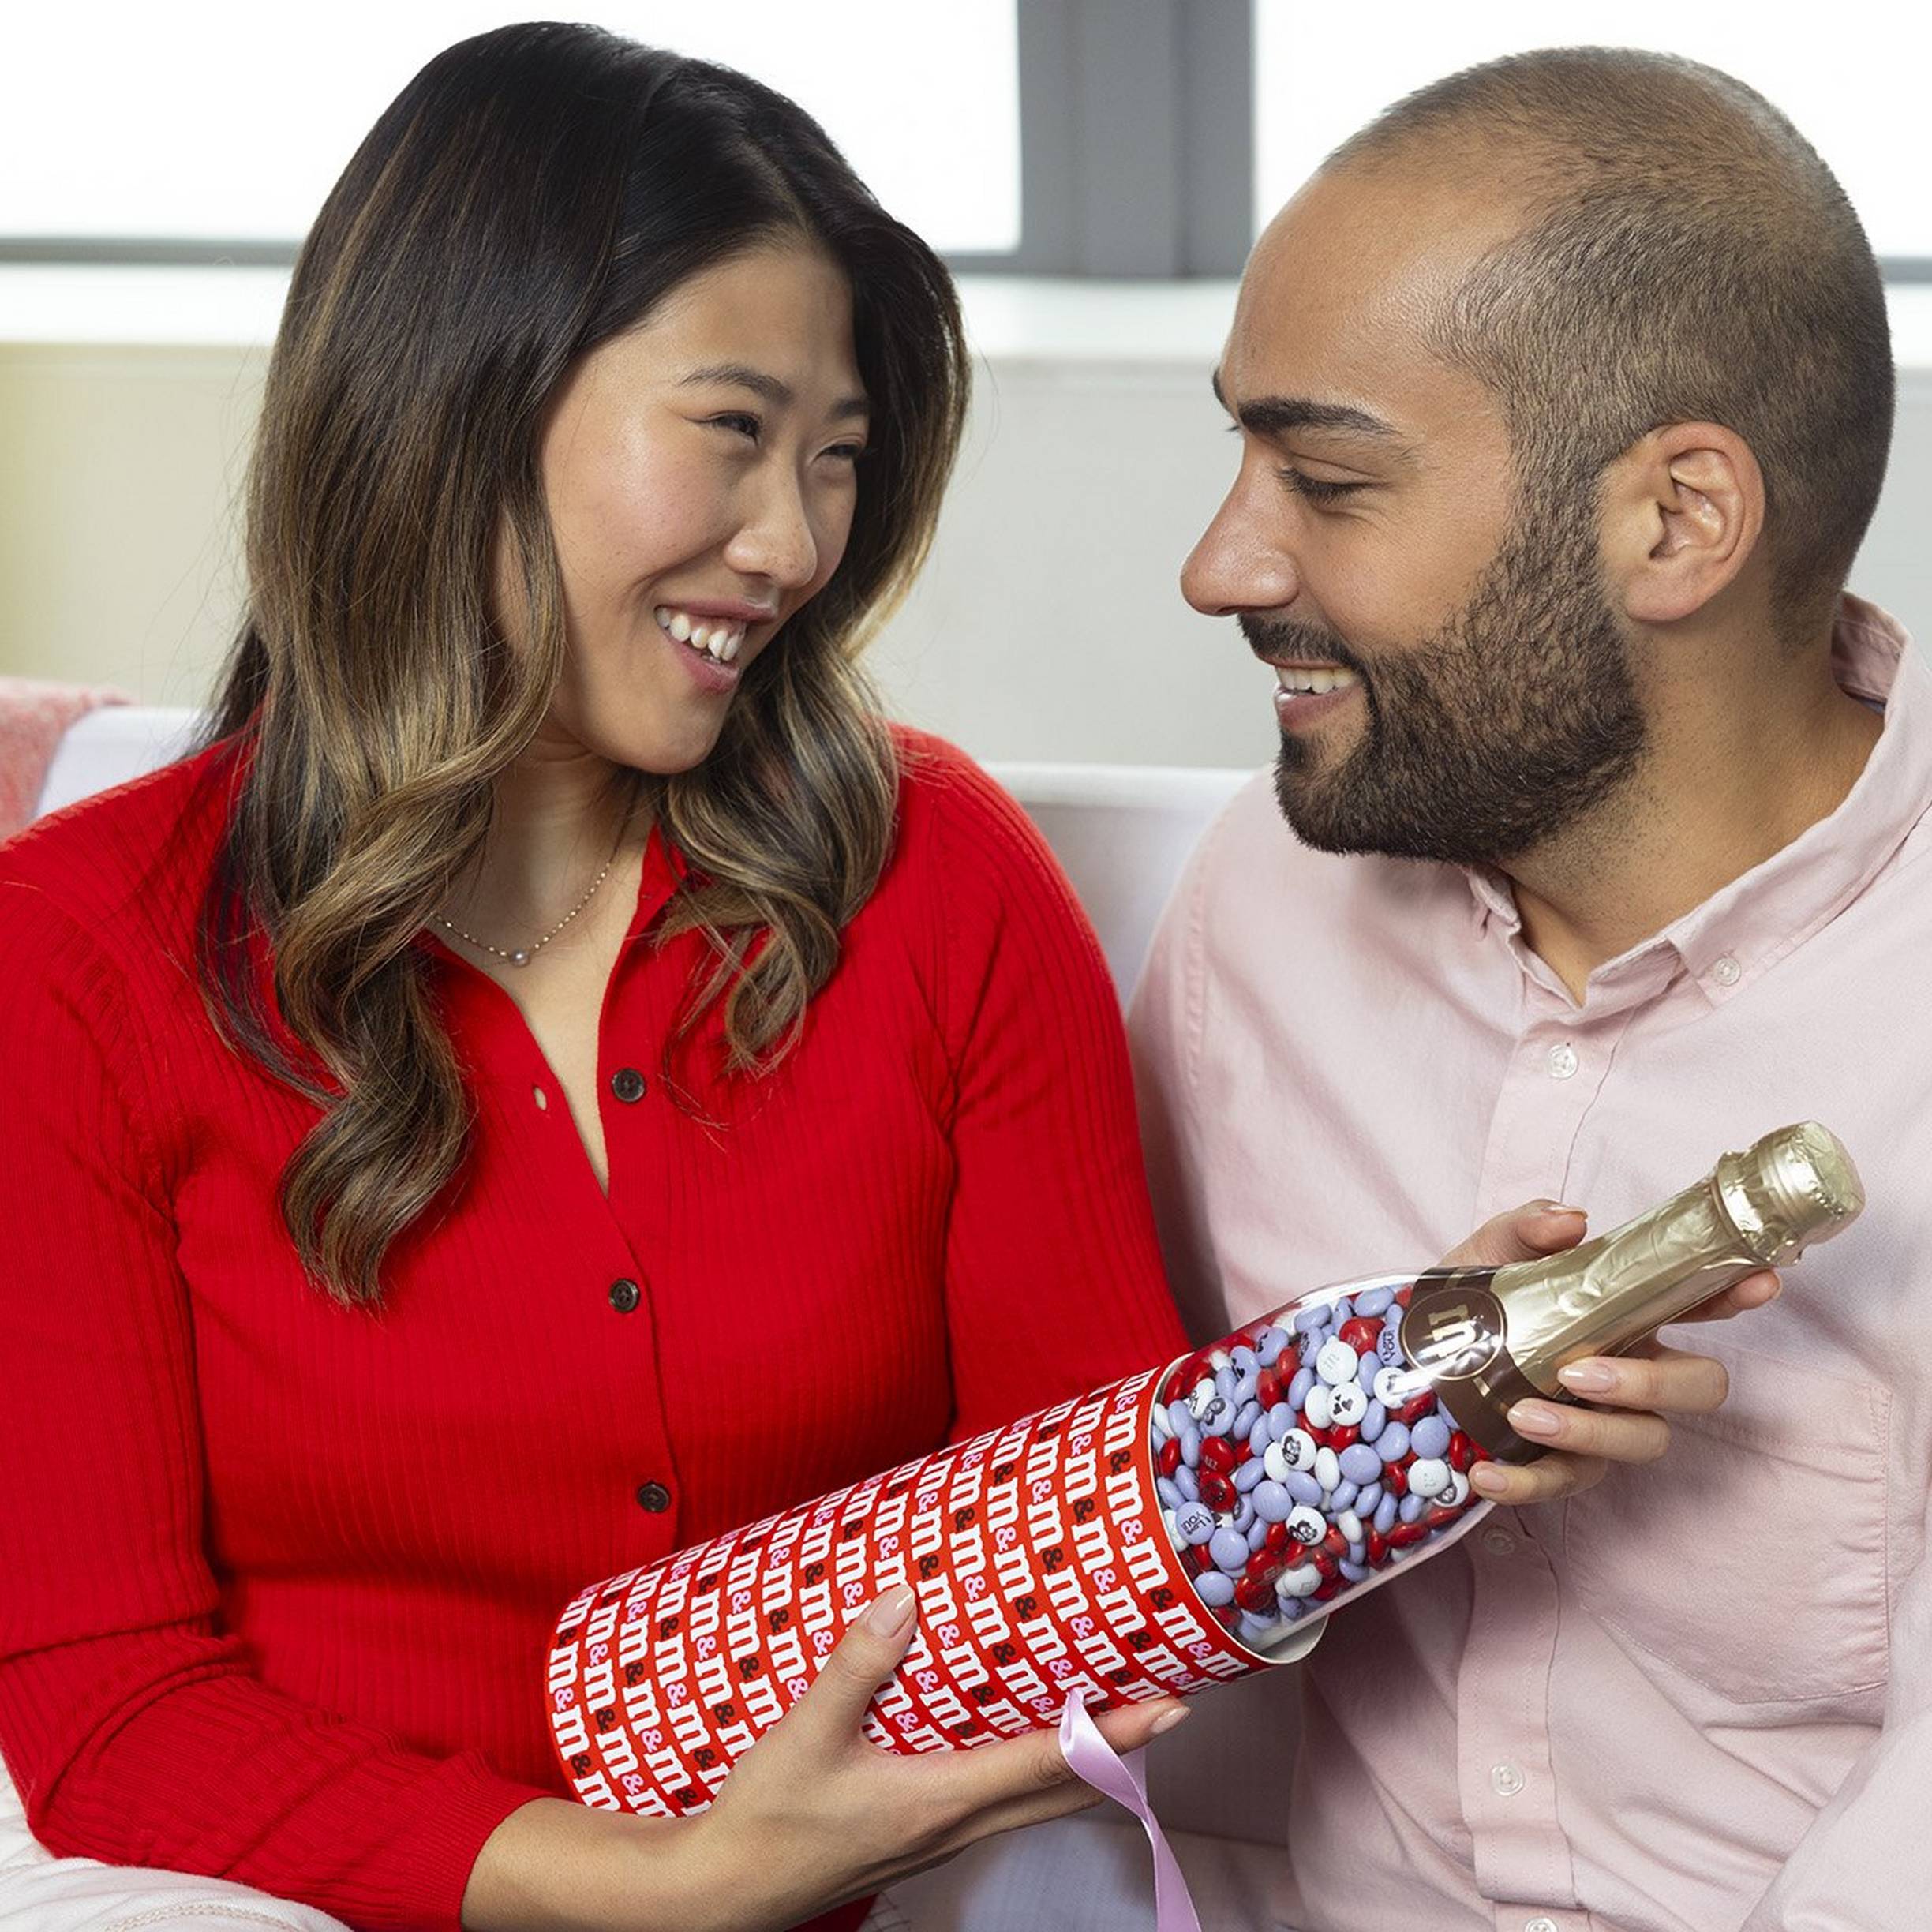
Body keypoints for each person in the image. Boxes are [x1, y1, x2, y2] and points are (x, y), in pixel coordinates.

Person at [0, 25, 1755, 1932]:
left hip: (915, 1888)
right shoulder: (79, 956)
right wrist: (640, 1890)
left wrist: (1384, 1413)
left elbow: (1091, 1519)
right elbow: (108, 1711)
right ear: (450, 403)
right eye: (733, 431)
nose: (792, 543)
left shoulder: (935, 883)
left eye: (837, 460)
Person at [1130, 43, 1926, 1932]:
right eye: (1240, 456)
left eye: (1328, 475)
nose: (1218, 562)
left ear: (1675, 522)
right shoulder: (1269, 897)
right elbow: (1116, 1476)